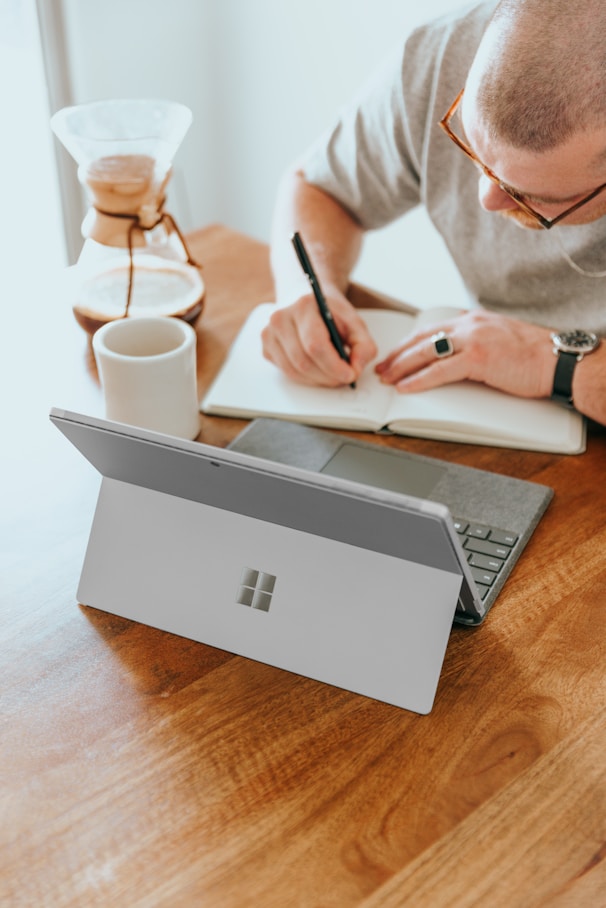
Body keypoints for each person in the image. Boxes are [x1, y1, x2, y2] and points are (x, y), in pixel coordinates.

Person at [262, 0, 606, 427]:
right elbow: (318, 187)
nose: (487, 198)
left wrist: (552, 363)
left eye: (526, 195)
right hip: (488, 406)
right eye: (473, 150)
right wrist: (305, 291)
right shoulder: (442, 55)